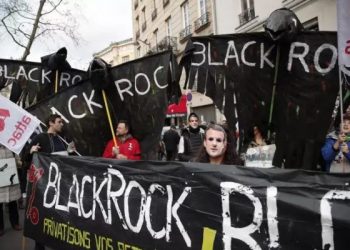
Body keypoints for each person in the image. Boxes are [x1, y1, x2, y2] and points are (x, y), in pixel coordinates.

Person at [25, 114, 75, 250]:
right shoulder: (40, 138)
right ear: (51, 123)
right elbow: (26, 158)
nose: (62, 124)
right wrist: (31, 151)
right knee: (42, 216)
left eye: (62, 122)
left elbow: (68, 159)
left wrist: (71, 151)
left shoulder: (62, 138)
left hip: (62, 184)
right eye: (59, 122)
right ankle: (39, 246)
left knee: (59, 217)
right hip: (45, 185)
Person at [0, 146, 22, 237]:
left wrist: (20, 162)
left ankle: (15, 223)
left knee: (13, 203)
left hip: (11, 179)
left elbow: (18, 161)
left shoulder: (12, 146)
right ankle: (0, 227)